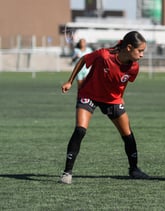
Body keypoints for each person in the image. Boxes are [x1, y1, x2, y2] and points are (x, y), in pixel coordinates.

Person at [60, 31, 149, 184]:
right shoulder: (104, 55)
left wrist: (120, 97)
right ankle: (67, 173)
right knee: (80, 130)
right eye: (140, 51)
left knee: (128, 134)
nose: (142, 54)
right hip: (89, 95)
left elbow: (122, 82)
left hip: (112, 100)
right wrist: (69, 81)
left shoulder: (134, 68)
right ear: (129, 48)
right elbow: (83, 60)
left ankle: (134, 169)